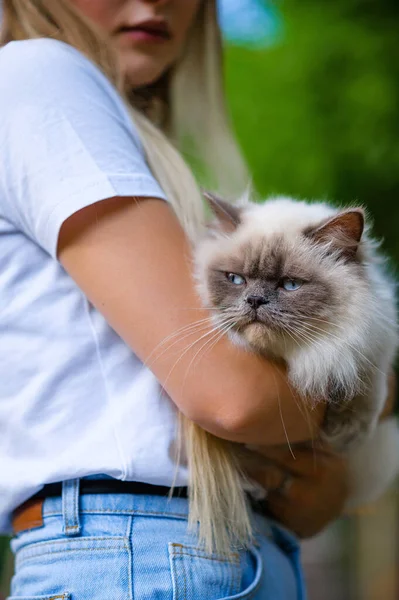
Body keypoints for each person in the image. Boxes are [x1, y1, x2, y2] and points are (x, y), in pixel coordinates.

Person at [0, 1, 394, 599]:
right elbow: (232, 398)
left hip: (206, 548)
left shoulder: (144, 139)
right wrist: (364, 398)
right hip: (141, 550)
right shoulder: (41, 75)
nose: (156, 2)